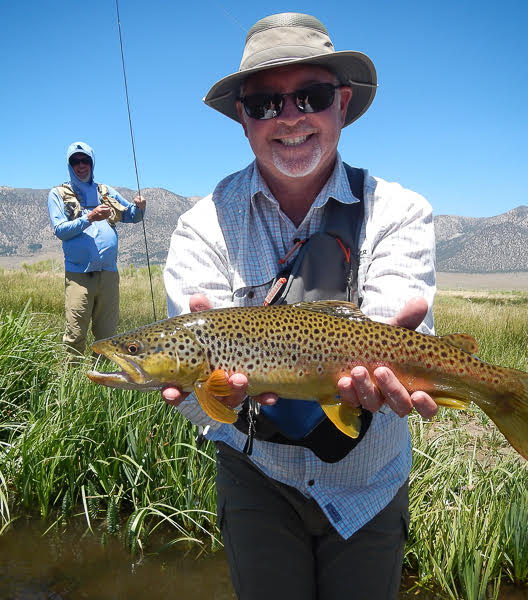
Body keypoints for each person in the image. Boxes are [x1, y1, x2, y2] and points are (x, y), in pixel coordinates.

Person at [161, 12, 437, 600]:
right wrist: (212, 402)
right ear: (242, 116)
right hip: (255, 474)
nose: (289, 118)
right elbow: (187, 390)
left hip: (370, 482)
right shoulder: (201, 225)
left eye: (309, 96)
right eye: (264, 103)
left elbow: (393, 326)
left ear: (341, 103)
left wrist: (381, 364)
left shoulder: (399, 211)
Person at [47, 141, 146, 356]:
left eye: (85, 160)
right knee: (75, 335)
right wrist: (89, 218)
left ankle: (101, 381)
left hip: (108, 275)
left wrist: (140, 207)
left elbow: (131, 216)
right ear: (69, 165)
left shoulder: (105, 192)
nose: (81, 165)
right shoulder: (58, 194)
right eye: (75, 161)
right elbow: (60, 230)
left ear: (92, 163)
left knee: (107, 337)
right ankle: (72, 382)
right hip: (78, 275)